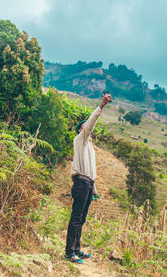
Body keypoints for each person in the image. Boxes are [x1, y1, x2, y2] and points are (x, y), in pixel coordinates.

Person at [65, 93, 112, 264]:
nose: (88, 129)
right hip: (81, 183)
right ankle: (69, 252)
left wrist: (95, 189)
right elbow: (90, 124)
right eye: (85, 127)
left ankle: (76, 250)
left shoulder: (89, 147)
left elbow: (90, 171)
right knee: (76, 218)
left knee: (81, 219)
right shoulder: (80, 139)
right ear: (80, 130)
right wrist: (101, 106)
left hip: (87, 184)